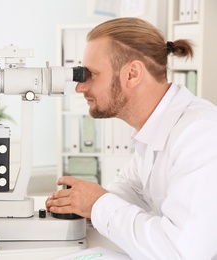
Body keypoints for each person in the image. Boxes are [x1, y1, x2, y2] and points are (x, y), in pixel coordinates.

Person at [46, 17, 217, 259]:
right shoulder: (153, 132)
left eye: (91, 74)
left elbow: (183, 252)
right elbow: (129, 192)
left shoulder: (200, 133)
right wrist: (79, 205)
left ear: (132, 74)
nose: (80, 88)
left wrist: (97, 204)